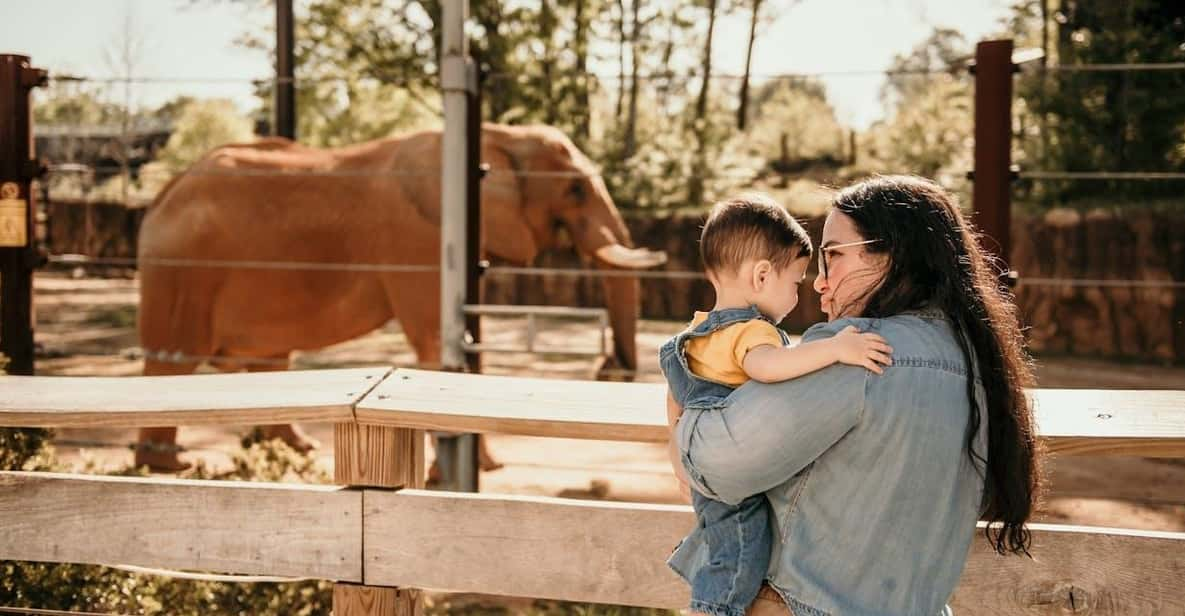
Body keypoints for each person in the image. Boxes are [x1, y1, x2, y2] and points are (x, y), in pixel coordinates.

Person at [667, 176, 1044, 616]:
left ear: (891, 257)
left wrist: (683, 394)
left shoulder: (857, 352)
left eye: (833, 257)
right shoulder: (977, 367)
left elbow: (715, 462)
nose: (819, 283)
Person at [659, 194, 893, 616]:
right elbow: (768, 368)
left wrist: (677, 458)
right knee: (742, 550)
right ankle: (713, 609)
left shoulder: (695, 334)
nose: (799, 293)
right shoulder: (752, 332)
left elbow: (678, 396)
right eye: (796, 281)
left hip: (704, 468)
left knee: (722, 541)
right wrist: (836, 350)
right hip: (735, 474)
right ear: (763, 276)